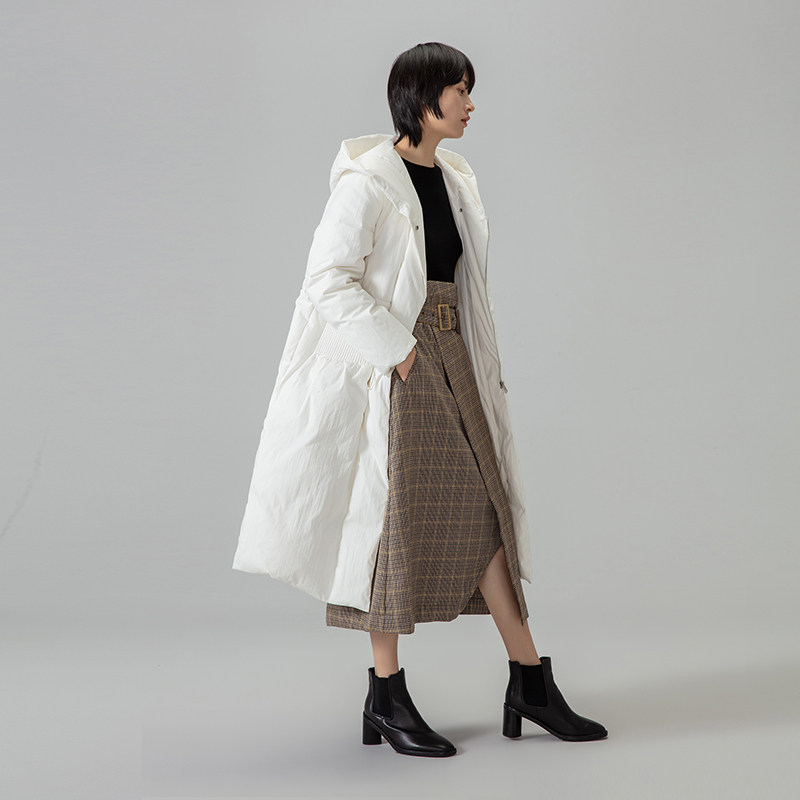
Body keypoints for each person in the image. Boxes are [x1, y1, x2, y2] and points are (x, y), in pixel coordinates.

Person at [232, 41, 607, 757]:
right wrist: (398, 350)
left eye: (469, 90)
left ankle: (528, 679)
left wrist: (449, 349)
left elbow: (460, 284)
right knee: (392, 519)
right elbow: (328, 280)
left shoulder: (456, 179)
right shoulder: (368, 182)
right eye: (460, 90)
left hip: (452, 353)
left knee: (488, 510)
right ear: (422, 97)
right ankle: (389, 692)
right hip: (401, 362)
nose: (471, 104)